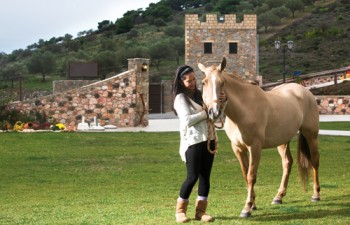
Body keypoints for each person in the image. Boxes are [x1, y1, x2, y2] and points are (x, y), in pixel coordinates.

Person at [172, 65, 226, 223]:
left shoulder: (200, 96)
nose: (193, 83)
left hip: (208, 140)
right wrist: (205, 112)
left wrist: (221, 104)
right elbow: (187, 120)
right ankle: (180, 211)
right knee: (192, 176)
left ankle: (200, 212)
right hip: (193, 142)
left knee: (205, 177)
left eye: (194, 79)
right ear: (182, 82)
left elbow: (215, 117)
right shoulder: (180, 99)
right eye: (189, 81)